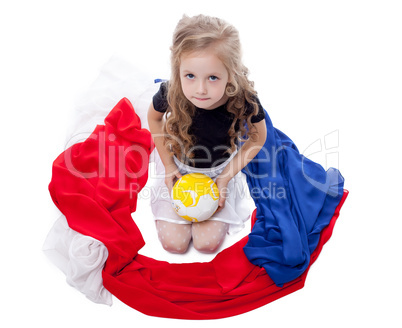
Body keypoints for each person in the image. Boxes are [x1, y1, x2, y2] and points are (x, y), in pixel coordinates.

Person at [147, 14, 267, 254]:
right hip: (178, 167)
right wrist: (170, 167)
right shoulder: (171, 91)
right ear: (178, 69)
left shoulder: (242, 98)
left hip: (218, 172)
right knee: (174, 244)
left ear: (230, 74)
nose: (200, 90)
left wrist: (224, 178)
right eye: (190, 76)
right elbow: (154, 118)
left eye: (213, 77)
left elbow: (258, 136)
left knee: (206, 244)